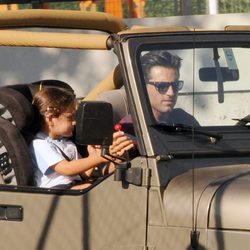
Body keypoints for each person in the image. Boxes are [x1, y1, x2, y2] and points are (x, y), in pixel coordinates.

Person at [29, 87, 134, 190]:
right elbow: (67, 169)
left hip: (74, 185)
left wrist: (94, 155)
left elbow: (84, 174)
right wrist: (100, 156)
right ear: (50, 118)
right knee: (98, 189)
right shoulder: (39, 144)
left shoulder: (67, 143)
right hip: (56, 191)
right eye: (70, 117)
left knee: (106, 183)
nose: (75, 122)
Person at [120, 50, 199, 126]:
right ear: (143, 87)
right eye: (162, 86)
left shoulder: (185, 120)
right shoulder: (130, 128)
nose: (171, 93)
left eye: (175, 85)